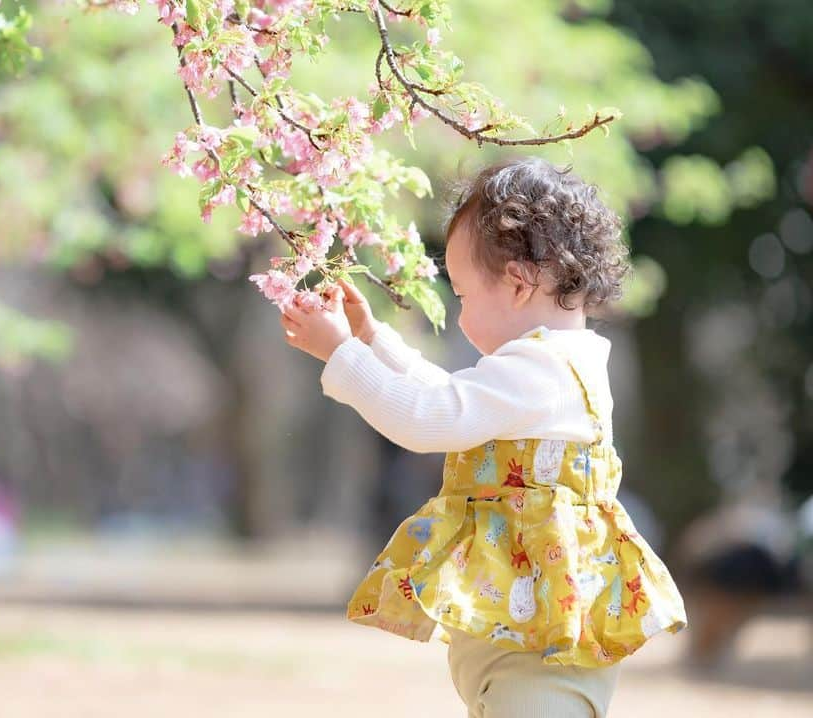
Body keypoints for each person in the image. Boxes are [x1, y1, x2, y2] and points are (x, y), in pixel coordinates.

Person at [278, 156, 688, 717]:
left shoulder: (541, 369)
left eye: (465, 296)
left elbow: (432, 418)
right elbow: (457, 403)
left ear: (518, 284)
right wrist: (373, 340)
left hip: (538, 660)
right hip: (525, 647)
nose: (461, 314)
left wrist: (341, 354)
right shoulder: (550, 365)